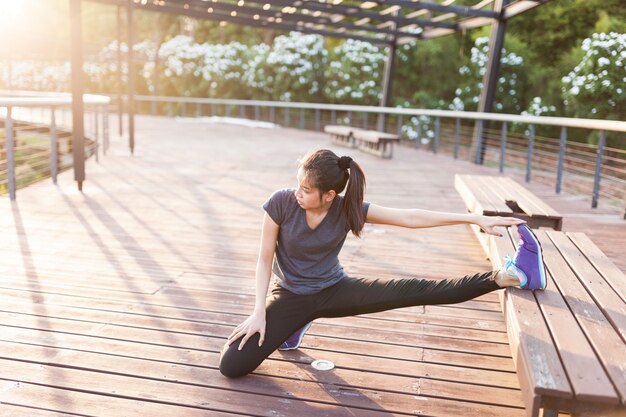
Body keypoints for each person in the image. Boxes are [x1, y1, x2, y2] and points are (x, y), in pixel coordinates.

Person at [219, 149, 547, 378]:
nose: (297, 193)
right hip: (289, 295)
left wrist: (473, 218)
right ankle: (292, 325)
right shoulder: (280, 202)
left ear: (330, 194)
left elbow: (409, 217)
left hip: (333, 289)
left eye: (306, 190)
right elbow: (264, 258)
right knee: (231, 365)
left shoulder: (348, 208)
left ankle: (507, 276)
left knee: (419, 290)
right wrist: (258, 311)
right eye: (298, 184)